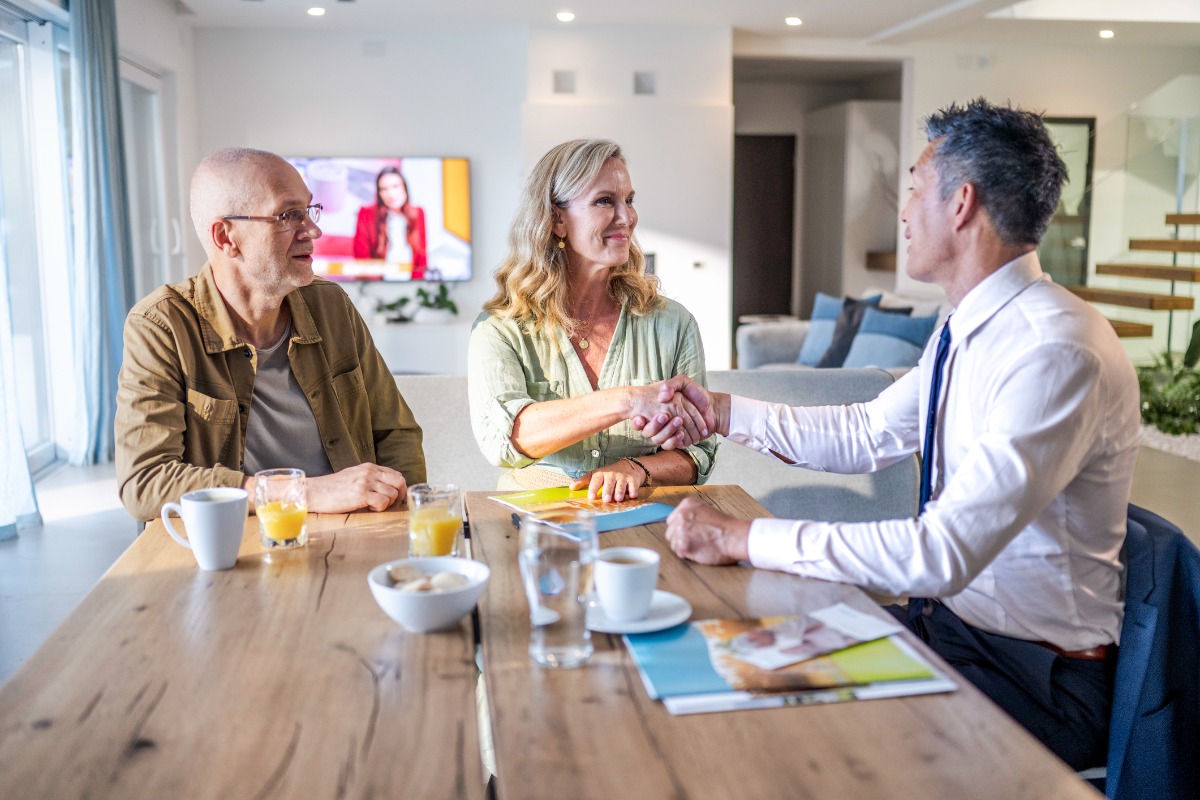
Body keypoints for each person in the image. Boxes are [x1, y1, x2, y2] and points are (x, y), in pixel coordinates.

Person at [648, 99, 1140, 770]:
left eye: (913, 189)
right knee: (725, 670)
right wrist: (720, 411)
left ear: (961, 204)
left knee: (797, 748)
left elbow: (941, 554)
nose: (903, 211)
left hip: (1035, 679)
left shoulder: (1054, 352)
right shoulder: (964, 328)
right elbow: (866, 431)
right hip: (953, 631)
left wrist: (743, 536)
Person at [116, 147, 426, 521]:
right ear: (225, 237)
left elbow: (396, 433)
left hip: (350, 532)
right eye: (288, 215)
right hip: (231, 544)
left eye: (308, 211)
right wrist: (302, 493)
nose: (313, 230)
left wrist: (400, 524)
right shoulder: (161, 326)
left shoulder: (332, 306)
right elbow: (145, 480)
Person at [467, 138, 716, 502]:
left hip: (641, 517)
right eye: (605, 201)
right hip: (536, 522)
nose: (627, 217)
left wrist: (636, 468)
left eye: (629, 200)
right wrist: (629, 400)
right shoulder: (500, 328)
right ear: (556, 219)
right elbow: (507, 439)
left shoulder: (672, 324)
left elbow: (699, 451)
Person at [353, 166, 428, 279]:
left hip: (410, 285)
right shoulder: (366, 214)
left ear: (404, 187)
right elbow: (361, 258)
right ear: (379, 193)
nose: (391, 194)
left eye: (395, 186)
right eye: (384, 189)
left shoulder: (417, 213)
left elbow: (421, 259)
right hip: (378, 285)